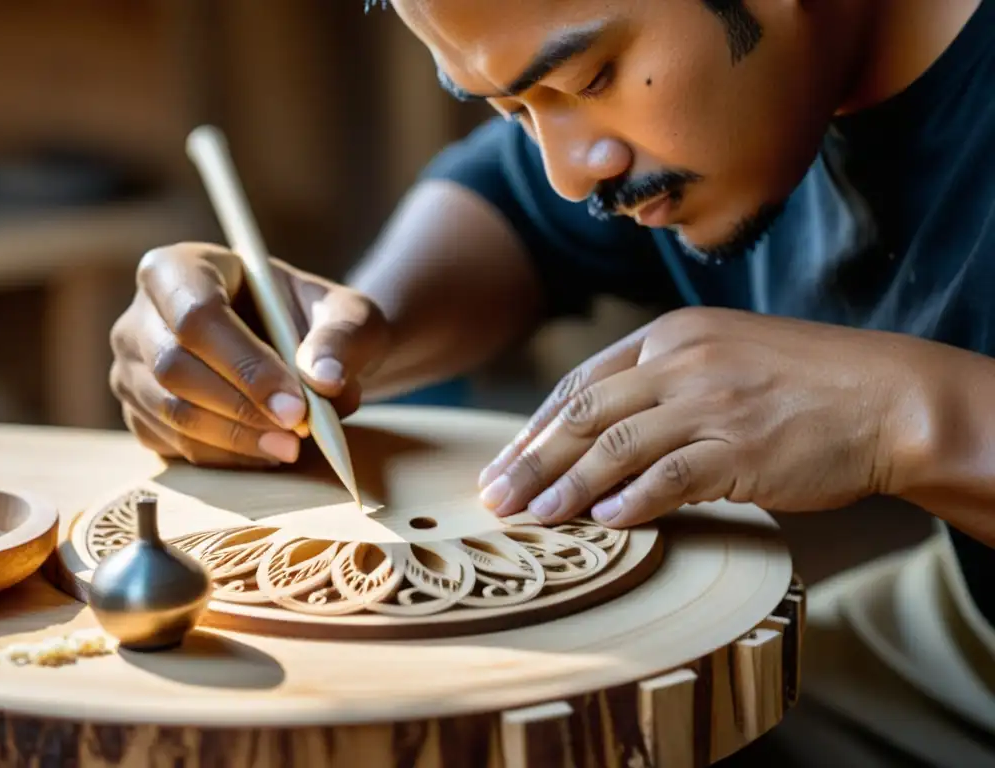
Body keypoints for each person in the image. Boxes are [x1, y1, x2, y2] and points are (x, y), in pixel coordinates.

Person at [110, 0, 995, 642]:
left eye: (588, 79)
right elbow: (518, 203)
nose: (573, 173)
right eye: (513, 107)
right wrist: (345, 336)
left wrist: (904, 414)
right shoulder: (719, 94)